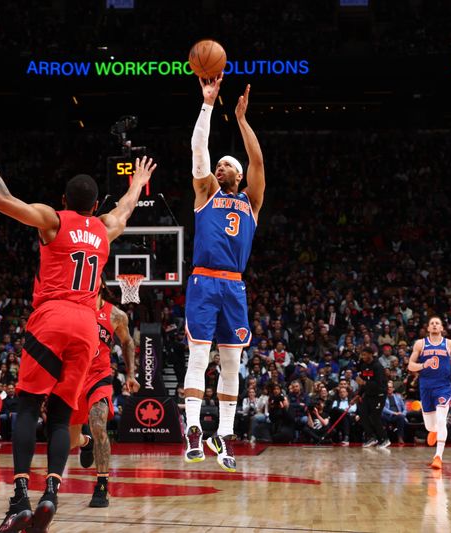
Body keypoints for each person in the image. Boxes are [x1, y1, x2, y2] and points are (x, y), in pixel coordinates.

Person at [0, 119, 155, 531]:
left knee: (27, 408)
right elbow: (124, 209)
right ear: (94, 206)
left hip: (52, 319)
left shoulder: (53, 219)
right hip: (88, 328)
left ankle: (20, 496)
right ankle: (52, 491)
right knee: (60, 417)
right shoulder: (105, 229)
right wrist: (137, 182)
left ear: (65, 201)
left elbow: (1, 200)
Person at [183, 76, 265, 472]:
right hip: (203, 279)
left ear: (239, 176)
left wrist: (241, 119)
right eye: (220, 165)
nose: (221, 166)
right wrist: (208, 104)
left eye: (227, 164)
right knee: (199, 356)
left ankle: (225, 433)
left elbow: (258, 162)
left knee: (231, 363)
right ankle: (195, 427)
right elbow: (199, 149)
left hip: (234, 284)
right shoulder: (206, 193)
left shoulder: (251, 202)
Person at [69, 281, 138, 508]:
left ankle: (101, 486)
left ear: (99, 285)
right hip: (76, 375)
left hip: (99, 375)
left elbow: (127, 342)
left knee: (98, 423)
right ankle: (85, 442)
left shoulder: (115, 315)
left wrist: (130, 374)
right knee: (69, 441)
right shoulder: (73, 310)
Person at [408, 316, 451, 469]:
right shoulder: (420, 344)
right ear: (428, 328)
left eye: (437, 323)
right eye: (431, 323)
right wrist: (422, 365)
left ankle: (438, 456)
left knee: (441, 419)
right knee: (430, 426)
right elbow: (410, 366)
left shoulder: (449, 344)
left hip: (443, 387)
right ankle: (433, 431)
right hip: (425, 387)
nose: (434, 325)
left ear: (441, 328)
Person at [356, 346, 389, 448]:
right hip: (369, 394)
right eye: (362, 355)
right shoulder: (363, 366)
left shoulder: (378, 366)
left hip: (379, 395)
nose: (363, 356)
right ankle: (371, 437)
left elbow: (378, 384)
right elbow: (363, 383)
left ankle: (385, 439)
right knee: (362, 415)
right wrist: (358, 394)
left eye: (365, 354)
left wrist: (364, 382)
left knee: (375, 417)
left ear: (371, 354)